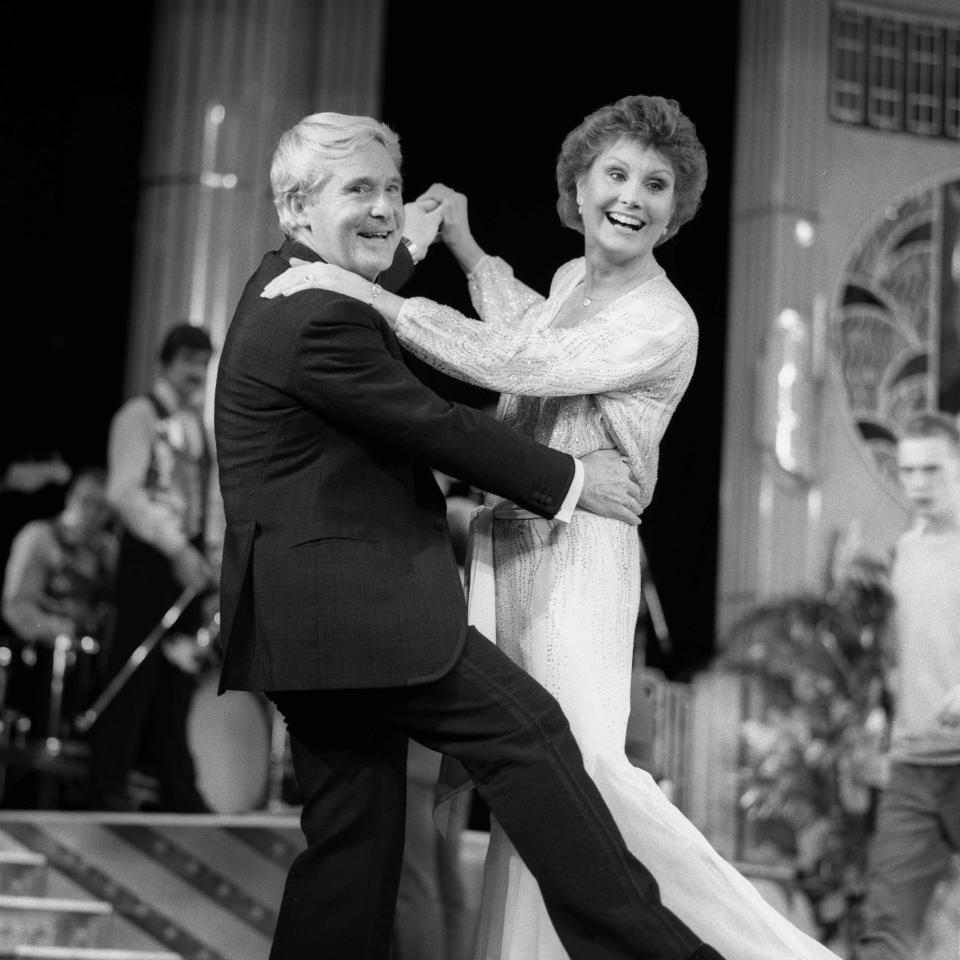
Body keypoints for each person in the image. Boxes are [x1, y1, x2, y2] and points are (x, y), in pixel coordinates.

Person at [266, 95, 845, 960]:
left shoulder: (663, 317)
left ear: (675, 208)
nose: (632, 196)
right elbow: (530, 325)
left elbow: (519, 362)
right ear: (579, 185)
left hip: (583, 555)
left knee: (586, 781)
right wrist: (464, 248)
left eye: (656, 183)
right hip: (516, 544)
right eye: (615, 173)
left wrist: (362, 294)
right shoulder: (576, 284)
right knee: (526, 792)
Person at [87, 323, 221, 812]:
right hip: (150, 559)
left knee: (178, 680)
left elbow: (206, 500)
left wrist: (206, 556)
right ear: (166, 362)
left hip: (185, 565)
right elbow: (123, 492)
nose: (196, 372)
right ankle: (107, 785)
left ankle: (177, 789)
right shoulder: (139, 415)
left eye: (203, 362)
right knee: (133, 674)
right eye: (188, 360)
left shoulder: (197, 429)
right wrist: (175, 548)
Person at [853, 411, 960, 960]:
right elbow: (899, 653)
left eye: (932, 470)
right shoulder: (908, 552)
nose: (917, 483)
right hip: (914, 763)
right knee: (886, 924)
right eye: (909, 470)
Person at [1, 468, 116, 747]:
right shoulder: (40, 537)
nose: (92, 513)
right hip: (38, 669)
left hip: (88, 679)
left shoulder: (108, 551)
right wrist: (59, 631)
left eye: (102, 507)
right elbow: (17, 608)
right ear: (70, 497)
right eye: (86, 501)